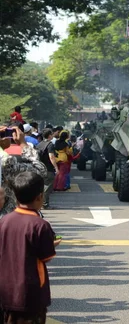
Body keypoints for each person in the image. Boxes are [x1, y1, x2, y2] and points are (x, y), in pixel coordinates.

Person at [0, 171, 60, 323]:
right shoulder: (41, 225)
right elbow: (46, 256)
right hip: (31, 293)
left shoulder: (4, 221)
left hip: (5, 290)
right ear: (40, 196)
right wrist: (51, 245)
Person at [36, 129, 59, 210]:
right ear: (49, 135)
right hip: (48, 169)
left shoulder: (39, 144)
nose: (53, 135)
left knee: (41, 187)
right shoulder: (50, 145)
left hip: (39, 168)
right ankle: (45, 204)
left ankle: (39, 204)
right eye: (52, 134)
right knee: (47, 187)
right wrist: (56, 168)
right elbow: (51, 157)